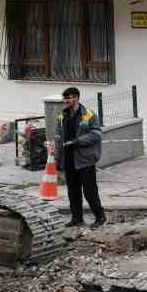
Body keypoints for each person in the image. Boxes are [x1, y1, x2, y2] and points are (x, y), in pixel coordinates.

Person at [55, 86, 106, 227]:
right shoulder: (61, 117)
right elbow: (58, 139)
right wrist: (58, 160)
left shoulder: (88, 114)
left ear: (77, 98)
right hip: (69, 159)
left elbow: (96, 134)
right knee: (73, 192)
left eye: (70, 97)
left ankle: (100, 217)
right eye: (66, 98)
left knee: (90, 191)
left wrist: (78, 141)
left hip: (85, 159)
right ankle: (77, 218)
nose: (68, 100)